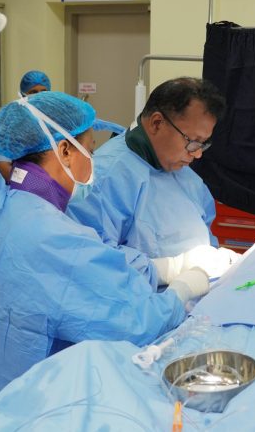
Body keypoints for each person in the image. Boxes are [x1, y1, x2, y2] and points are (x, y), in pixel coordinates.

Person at [0, 91, 209, 426]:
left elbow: (90, 264)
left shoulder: (4, 205)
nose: (92, 163)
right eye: (90, 152)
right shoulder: (51, 235)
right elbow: (137, 322)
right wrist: (182, 288)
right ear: (65, 150)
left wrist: (158, 269)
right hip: (22, 404)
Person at [68, 77, 239, 288]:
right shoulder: (102, 178)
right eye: (193, 141)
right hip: (139, 302)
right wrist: (170, 269)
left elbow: (206, 233)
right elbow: (95, 264)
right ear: (157, 123)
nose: (197, 154)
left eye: (203, 144)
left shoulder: (184, 175)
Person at [0, 70, 53, 180]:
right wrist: (27, 183)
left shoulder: (55, 120)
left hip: (52, 184)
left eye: (44, 91)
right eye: (33, 92)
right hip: (21, 185)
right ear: (23, 94)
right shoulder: (9, 123)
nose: (39, 96)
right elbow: (2, 165)